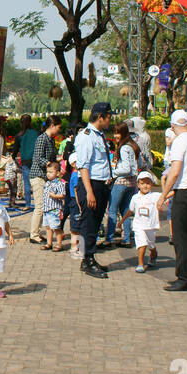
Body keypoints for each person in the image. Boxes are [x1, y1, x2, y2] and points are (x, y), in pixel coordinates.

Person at [159, 109, 187, 291]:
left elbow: (175, 171)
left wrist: (163, 195)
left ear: (173, 125)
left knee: (180, 237)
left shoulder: (179, 143)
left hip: (183, 192)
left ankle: (184, 277)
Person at [73, 102, 115, 278]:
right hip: (91, 184)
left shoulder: (99, 135)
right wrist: (89, 191)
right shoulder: (86, 136)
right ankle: (87, 259)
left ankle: (89, 257)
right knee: (89, 223)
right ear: (100, 117)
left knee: (95, 223)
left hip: (101, 184)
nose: (110, 120)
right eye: (108, 117)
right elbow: (83, 166)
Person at [104, 123, 140, 248]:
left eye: (117, 133)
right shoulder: (133, 146)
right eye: (114, 133)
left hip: (121, 182)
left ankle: (109, 238)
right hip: (132, 183)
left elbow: (126, 168)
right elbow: (138, 164)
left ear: (124, 133)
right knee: (125, 210)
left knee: (112, 210)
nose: (115, 136)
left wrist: (112, 173)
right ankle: (126, 239)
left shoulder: (124, 148)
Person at [28, 116, 62, 243]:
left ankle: (36, 232)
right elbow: (37, 157)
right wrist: (49, 164)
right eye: (58, 127)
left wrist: (57, 161)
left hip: (45, 176)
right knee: (40, 206)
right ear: (52, 125)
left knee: (43, 205)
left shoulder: (51, 140)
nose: (59, 130)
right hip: (38, 176)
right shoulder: (42, 138)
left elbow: (51, 157)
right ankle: (34, 234)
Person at [122, 171, 162, 272]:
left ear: (151, 184)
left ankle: (153, 253)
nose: (145, 186)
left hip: (151, 226)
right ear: (138, 185)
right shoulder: (135, 197)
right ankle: (140, 264)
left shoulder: (155, 196)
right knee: (142, 244)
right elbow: (130, 210)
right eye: (142, 183)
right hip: (138, 225)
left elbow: (167, 195)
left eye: (148, 183)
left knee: (151, 245)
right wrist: (122, 220)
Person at [41, 159, 66, 252]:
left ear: (58, 173)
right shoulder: (47, 183)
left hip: (54, 209)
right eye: (47, 172)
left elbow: (63, 195)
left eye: (51, 172)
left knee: (56, 227)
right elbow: (44, 196)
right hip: (47, 209)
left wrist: (55, 196)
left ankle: (59, 244)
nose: (48, 174)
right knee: (48, 227)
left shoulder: (59, 184)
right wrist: (43, 208)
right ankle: (49, 243)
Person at [18, 114, 39, 210]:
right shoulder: (36, 133)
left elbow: (14, 150)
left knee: (27, 183)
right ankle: (39, 203)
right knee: (37, 181)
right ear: (30, 122)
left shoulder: (19, 135)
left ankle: (27, 204)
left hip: (25, 160)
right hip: (35, 159)